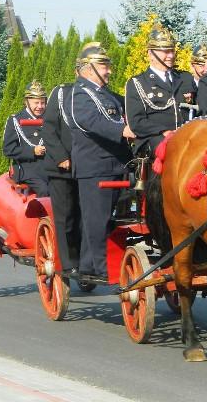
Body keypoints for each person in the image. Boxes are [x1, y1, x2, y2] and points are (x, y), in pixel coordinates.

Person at [67, 42, 135, 283]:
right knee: (97, 219)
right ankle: (98, 266)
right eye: (104, 66)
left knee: (115, 219)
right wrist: (123, 130)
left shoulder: (106, 94)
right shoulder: (78, 94)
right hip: (95, 167)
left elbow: (128, 109)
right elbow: (92, 121)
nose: (109, 71)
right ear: (89, 68)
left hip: (118, 164)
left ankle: (90, 264)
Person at [124, 24, 195, 157]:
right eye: (165, 51)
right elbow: (136, 122)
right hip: (155, 141)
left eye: (172, 50)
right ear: (150, 54)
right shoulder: (137, 83)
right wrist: (164, 132)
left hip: (187, 138)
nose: (170, 55)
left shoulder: (185, 78)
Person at [41, 72, 82, 277]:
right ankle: (68, 263)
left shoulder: (100, 96)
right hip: (62, 168)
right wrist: (61, 157)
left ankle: (85, 259)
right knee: (66, 217)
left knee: (86, 217)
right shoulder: (61, 93)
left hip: (88, 168)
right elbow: (48, 129)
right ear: (79, 72)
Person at [2, 80, 49, 196]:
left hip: (49, 166)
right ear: (26, 102)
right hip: (27, 169)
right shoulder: (15, 120)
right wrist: (32, 151)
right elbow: (8, 150)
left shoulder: (50, 119)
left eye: (43, 103)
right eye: (36, 103)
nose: (40, 106)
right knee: (45, 190)